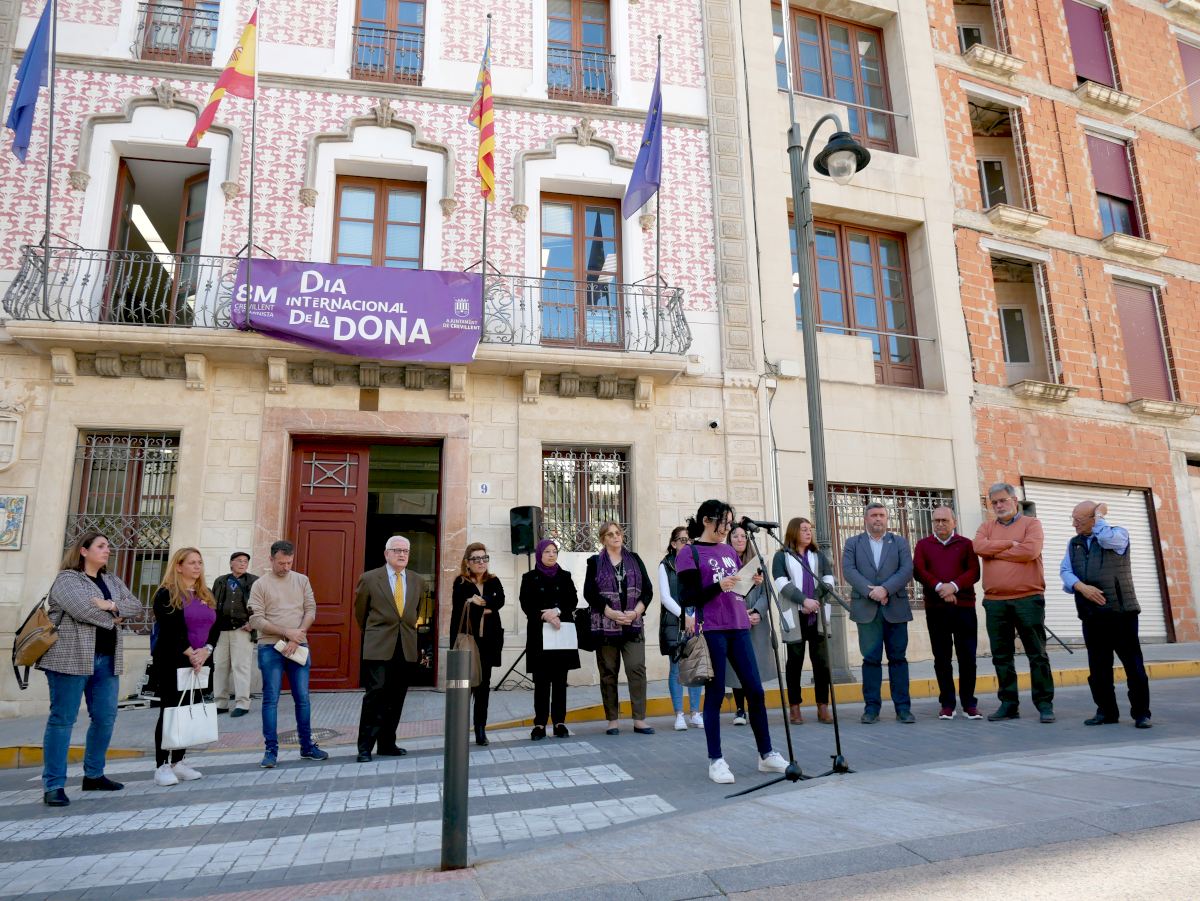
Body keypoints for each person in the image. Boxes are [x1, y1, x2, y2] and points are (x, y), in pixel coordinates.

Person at [676, 499, 787, 784]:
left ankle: (766, 754)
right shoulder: (689, 552)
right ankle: (716, 760)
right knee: (715, 694)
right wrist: (718, 585)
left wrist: (751, 582)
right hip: (712, 629)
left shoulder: (728, 551)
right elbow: (688, 597)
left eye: (729, 523)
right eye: (723, 523)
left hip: (739, 626)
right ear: (706, 520)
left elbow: (735, 589)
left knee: (755, 690)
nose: (727, 528)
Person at [38, 532, 142, 807]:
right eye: (101, 546)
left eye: (108, 546)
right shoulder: (67, 579)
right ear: (83, 551)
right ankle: (54, 785)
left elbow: (135, 606)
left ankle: (94, 775)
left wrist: (110, 605)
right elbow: (82, 611)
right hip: (69, 659)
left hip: (107, 660)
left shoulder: (111, 580)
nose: (107, 550)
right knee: (62, 720)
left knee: (105, 718)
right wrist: (113, 617)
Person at [1061, 501, 1151, 728]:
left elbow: (1106, 539)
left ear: (1094, 519)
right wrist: (1081, 587)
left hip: (1121, 614)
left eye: (1078, 520)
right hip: (1091, 615)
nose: (1074, 525)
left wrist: (1100, 516)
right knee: (1098, 668)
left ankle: (1141, 713)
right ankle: (1106, 712)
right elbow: (1065, 571)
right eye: (1073, 519)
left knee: (1133, 666)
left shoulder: (1117, 535)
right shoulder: (1074, 543)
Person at [973, 483, 1055, 724]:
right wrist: (1010, 544)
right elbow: (978, 547)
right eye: (994, 502)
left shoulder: (1032, 524)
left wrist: (994, 551)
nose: (999, 505)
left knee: (1037, 654)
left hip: (1028, 599)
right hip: (995, 602)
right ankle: (1009, 704)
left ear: (1014, 500)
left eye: (1003, 500)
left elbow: (1030, 552)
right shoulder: (986, 527)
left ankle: (1044, 704)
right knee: (1001, 656)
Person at [248, 539, 329, 768]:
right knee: (270, 699)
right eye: (281, 563)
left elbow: (311, 610)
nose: (286, 567)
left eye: (289, 563)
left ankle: (307, 746)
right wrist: (287, 633)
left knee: (302, 698)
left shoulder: (302, 580)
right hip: (270, 647)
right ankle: (270, 751)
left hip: (299, 645)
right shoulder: (260, 585)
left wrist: (297, 636)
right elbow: (256, 619)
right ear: (271, 559)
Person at [150, 547, 221, 787]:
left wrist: (207, 650)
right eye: (192, 562)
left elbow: (216, 626)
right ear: (178, 566)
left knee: (189, 709)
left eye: (199, 562)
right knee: (171, 711)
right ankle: (161, 765)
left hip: (201, 661)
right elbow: (171, 628)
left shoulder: (206, 594)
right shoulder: (166, 594)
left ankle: (178, 762)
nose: (197, 566)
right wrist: (191, 653)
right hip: (174, 660)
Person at [843, 502, 915, 724]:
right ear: (866, 519)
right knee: (871, 660)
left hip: (896, 609)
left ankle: (903, 709)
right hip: (867, 611)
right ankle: (871, 709)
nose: (878, 519)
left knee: (898, 659)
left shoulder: (899, 542)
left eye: (882, 515)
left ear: (886, 518)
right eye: (873, 515)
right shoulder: (853, 543)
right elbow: (849, 570)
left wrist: (885, 589)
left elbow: (906, 570)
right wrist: (872, 592)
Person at [354, 535, 423, 762]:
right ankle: (365, 747)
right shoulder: (369, 579)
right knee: (375, 695)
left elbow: (415, 612)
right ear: (386, 554)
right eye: (397, 550)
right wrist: (375, 634)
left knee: (397, 696)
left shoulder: (417, 580)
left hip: (405, 646)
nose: (402, 554)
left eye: (405, 551)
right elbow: (361, 613)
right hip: (379, 646)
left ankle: (387, 743)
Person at [584, 522, 655, 736]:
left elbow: (648, 591)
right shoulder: (595, 562)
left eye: (618, 533)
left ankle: (639, 719)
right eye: (610, 534)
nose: (615, 537)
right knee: (608, 673)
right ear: (603, 539)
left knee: (636, 669)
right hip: (606, 627)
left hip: (633, 625)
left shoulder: (635, 559)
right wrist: (610, 612)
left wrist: (636, 612)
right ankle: (612, 720)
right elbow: (589, 593)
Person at [913, 507, 982, 720]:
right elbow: (919, 571)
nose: (940, 524)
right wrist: (940, 588)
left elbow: (974, 572)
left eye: (944, 520)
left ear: (954, 522)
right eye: (936, 521)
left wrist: (953, 586)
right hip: (936, 609)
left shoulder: (966, 544)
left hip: (964, 608)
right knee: (942, 658)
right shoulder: (923, 545)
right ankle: (947, 704)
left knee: (967, 657)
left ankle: (969, 703)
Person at [772, 517, 835, 725]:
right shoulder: (781, 556)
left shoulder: (819, 555)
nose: (809, 533)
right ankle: (795, 707)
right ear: (793, 532)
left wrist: (814, 600)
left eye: (810, 529)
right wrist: (803, 600)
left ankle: (822, 706)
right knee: (794, 663)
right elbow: (781, 583)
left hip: (817, 615)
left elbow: (828, 580)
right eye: (804, 529)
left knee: (822, 663)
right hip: (795, 615)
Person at [519, 539, 581, 740]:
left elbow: (572, 600)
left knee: (560, 681)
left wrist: (557, 611)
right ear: (539, 554)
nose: (551, 555)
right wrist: (544, 615)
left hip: (561, 632)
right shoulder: (529, 577)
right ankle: (539, 724)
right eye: (547, 551)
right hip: (539, 635)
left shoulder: (565, 576)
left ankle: (559, 722)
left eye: (554, 551)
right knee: (542, 681)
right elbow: (526, 603)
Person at [450, 542, 506, 746]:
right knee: (463, 687)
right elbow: (460, 609)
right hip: (468, 641)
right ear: (467, 562)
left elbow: (500, 601)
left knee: (483, 687)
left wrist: (481, 603)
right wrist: (485, 606)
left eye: (484, 558)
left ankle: (480, 729)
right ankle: (458, 729)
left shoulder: (494, 580)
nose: (481, 562)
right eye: (476, 559)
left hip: (489, 642)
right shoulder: (460, 583)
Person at [726, 525, 776, 726]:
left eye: (743, 536)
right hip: (734, 621)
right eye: (735, 536)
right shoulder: (725, 563)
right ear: (729, 539)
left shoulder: (758, 563)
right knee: (736, 666)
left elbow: (767, 592)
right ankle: (740, 709)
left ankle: (756, 707)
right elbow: (725, 593)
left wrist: (757, 612)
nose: (740, 539)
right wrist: (741, 614)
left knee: (755, 665)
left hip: (756, 622)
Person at [658, 527, 702, 731]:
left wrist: (696, 617)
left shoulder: (697, 563)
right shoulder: (665, 565)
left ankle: (695, 713)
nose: (687, 543)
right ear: (673, 543)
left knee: (696, 667)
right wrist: (685, 617)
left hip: (696, 619)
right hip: (675, 621)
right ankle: (679, 715)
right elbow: (665, 597)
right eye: (682, 540)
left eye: (689, 540)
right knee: (676, 668)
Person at [210, 551, 258, 718]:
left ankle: (242, 703)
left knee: (241, 667)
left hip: (242, 630)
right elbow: (213, 603)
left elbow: (262, 604)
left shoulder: (254, 581)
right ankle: (220, 703)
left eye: (245, 561)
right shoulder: (221, 581)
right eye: (239, 561)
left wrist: (253, 623)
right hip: (222, 630)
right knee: (220, 667)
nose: (243, 564)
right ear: (231, 563)